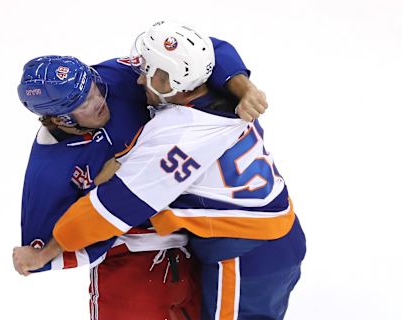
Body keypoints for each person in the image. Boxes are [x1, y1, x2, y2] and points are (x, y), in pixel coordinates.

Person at [23, 21, 306, 319]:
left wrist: (46, 251)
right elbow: (212, 49)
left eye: (148, 72)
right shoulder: (225, 94)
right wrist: (245, 86)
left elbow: (110, 209)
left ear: (171, 81)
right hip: (277, 238)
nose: (138, 80)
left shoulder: (175, 134)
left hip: (244, 256)